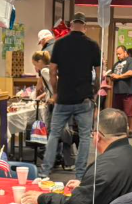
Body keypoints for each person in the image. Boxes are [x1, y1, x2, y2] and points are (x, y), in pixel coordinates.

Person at [40, 12, 101, 180]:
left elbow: (52, 71)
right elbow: (98, 73)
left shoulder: (60, 44)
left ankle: (44, 172)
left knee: (54, 134)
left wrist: (56, 92)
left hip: (64, 99)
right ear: (85, 27)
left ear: (71, 25)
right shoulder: (92, 45)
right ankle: (80, 175)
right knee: (84, 136)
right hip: (84, 99)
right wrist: (94, 92)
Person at [109, 46, 132, 136]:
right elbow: (114, 76)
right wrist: (112, 77)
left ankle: (130, 130)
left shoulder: (131, 61)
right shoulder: (116, 64)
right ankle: (118, 130)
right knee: (117, 113)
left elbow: (131, 72)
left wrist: (119, 76)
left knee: (129, 113)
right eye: (117, 54)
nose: (118, 56)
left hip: (127, 92)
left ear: (125, 52)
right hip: (117, 92)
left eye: (120, 53)